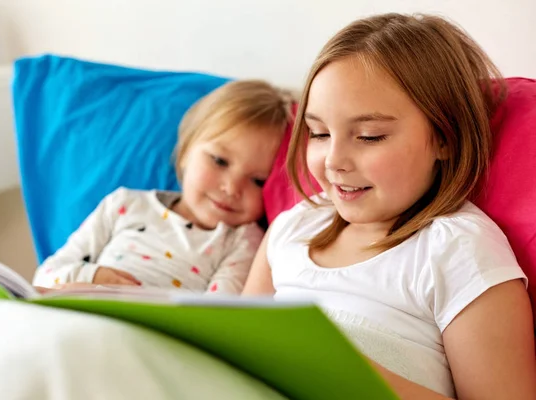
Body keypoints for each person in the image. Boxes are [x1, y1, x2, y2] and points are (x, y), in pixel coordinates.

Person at [243, 13, 536, 399]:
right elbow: (238, 344)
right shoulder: (292, 229)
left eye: (369, 136)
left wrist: (347, 369)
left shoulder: (457, 250)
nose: (334, 161)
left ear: (445, 137)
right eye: (319, 133)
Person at [33, 80, 293, 295]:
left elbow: (217, 317)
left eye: (258, 180)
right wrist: (93, 276)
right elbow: (45, 276)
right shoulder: (124, 204)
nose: (231, 187)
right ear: (184, 153)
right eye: (219, 161)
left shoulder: (243, 241)